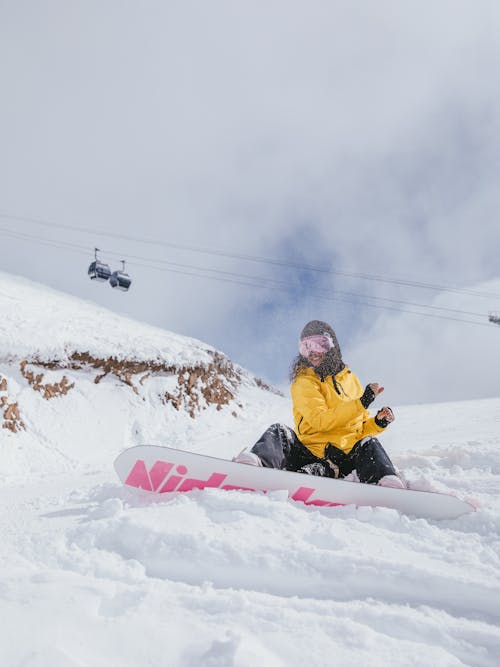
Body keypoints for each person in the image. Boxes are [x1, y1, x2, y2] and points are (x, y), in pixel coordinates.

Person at [233, 320, 405, 489]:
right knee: (280, 431)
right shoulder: (304, 381)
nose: (312, 352)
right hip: (310, 453)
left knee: (369, 442)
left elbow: (359, 428)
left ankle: (386, 483)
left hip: (346, 459)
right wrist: (361, 403)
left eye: (318, 345)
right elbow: (319, 420)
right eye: (306, 347)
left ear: (332, 347)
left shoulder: (352, 380)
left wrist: (377, 422)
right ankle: (255, 467)